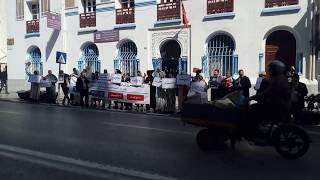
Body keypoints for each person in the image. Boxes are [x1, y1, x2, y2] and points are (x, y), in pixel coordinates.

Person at [245, 61, 292, 140]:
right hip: (276, 104)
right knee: (255, 111)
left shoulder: (278, 80)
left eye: (271, 69)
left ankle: (253, 132)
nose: (269, 71)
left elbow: (268, 92)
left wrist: (252, 97)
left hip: (277, 106)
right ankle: (259, 131)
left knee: (251, 111)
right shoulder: (278, 78)